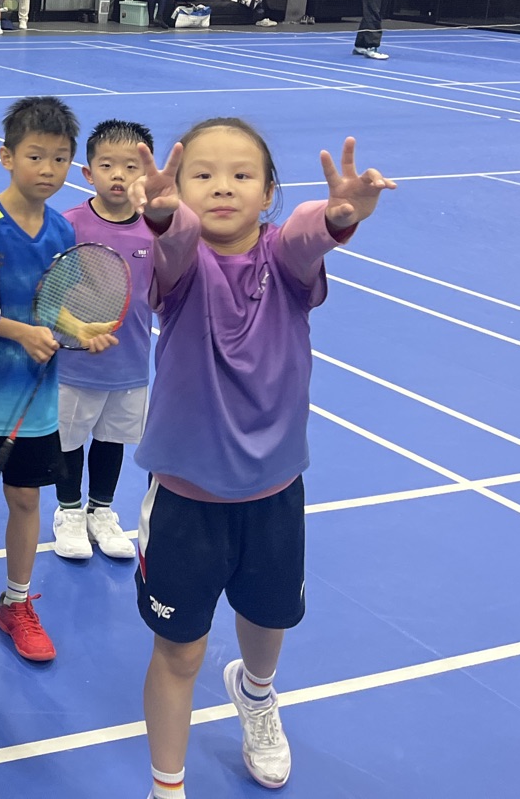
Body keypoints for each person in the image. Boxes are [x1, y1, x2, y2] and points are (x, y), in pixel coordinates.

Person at [128, 122, 393, 799]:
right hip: (186, 498)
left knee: (269, 619)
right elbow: (175, 237)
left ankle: (255, 692)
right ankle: (167, 788)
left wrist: (338, 216)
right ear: (180, 186)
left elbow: (307, 233)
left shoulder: (288, 261)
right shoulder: (179, 266)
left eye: (242, 175)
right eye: (203, 174)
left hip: (274, 489)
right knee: (179, 651)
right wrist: (162, 214)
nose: (222, 186)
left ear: (269, 190)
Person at [0, 96, 116, 665]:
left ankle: (16, 601)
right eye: (36, 156)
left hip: (35, 400)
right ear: (6, 157)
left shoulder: (61, 230)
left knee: (26, 499)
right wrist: (19, 333)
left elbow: (52, 305)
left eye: (60, 159)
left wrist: (81, 328)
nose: (48, 169)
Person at [53, 120, 157, 562]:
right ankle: (68, 511)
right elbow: (50, 292)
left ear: (147, 174)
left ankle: (101, 511)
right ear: (88, 172)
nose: (119, 175)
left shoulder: (156, 230)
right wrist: (74, 329)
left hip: (130, 361)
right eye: (108, 165)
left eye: (131, 167)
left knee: (112, 439)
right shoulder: (69, 225)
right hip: (76, 362)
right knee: (69, 440)